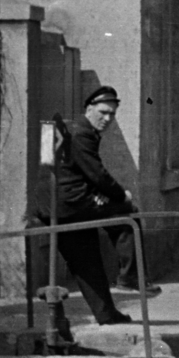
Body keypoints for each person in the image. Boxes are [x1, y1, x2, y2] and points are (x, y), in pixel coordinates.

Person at [50, 85, 139, 325]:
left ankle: (106, 314)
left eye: (112, 114)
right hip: (73, 203)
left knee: (86, 260)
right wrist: (122, 195)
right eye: (103, 112)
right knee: (128, 215)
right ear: (89, 109)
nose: (107, 119)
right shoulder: (82, 133)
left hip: (58, 206)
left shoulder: (72, 129)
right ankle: (131, 276)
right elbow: (97, 174)